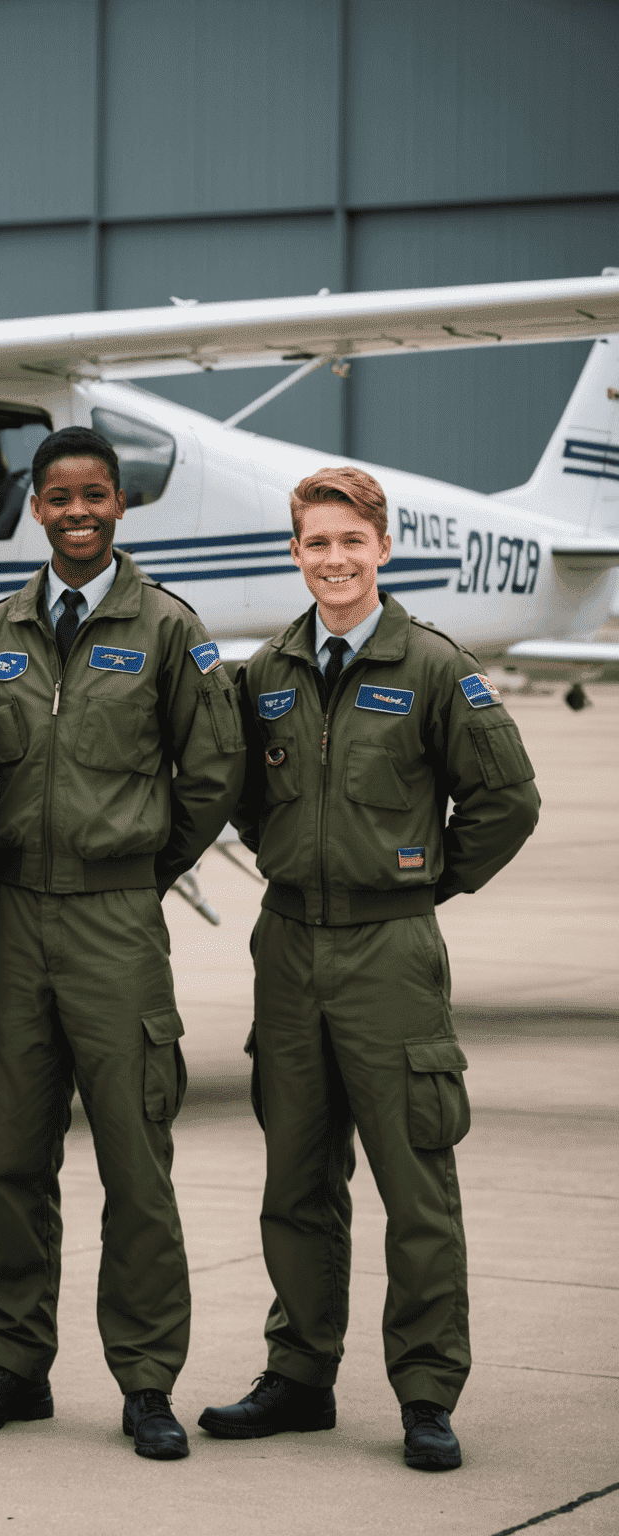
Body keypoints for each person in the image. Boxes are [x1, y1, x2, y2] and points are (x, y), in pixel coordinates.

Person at [200, 466, 540, 1472]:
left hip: (389, 950)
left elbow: (505, 802)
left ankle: (427, 1393)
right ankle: (298, 1374)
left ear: (382, 547)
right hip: (290, 943)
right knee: (297, 1179)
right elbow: (245, 799)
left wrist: (425, 881)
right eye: (316, 543)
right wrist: (296, 859)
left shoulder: (434, 667)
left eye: (352, 541)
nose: (335, 559)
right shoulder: (267, 671)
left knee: (416, 1183)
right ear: (295, 554)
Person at [0, 425, 245, 1459]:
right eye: (59, 496)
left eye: (96, 496)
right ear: (36, 507)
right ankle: (13, 1366)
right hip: (15, 916)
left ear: (121, 505)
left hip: (117, 918)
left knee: (135, 1157)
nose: (78, 512)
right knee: (14, 1157)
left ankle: (147, 1379)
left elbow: (213, 775)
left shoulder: (168, 628)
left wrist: (142, 873)